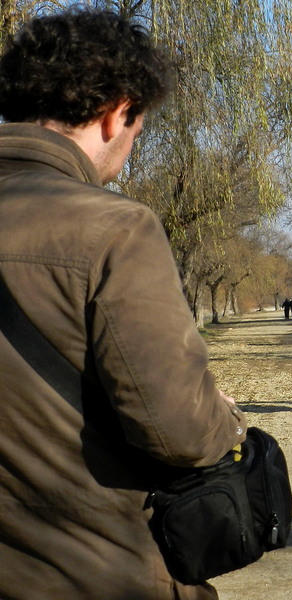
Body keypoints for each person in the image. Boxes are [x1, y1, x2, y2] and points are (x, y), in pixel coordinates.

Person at [0, 8, 246, 600]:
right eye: (138, 129)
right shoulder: (116, 230)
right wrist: (228, 420)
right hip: (95, 572)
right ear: (116, 113)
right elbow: (180, 430)